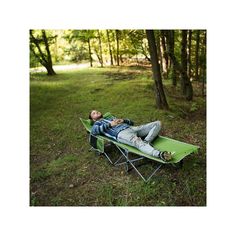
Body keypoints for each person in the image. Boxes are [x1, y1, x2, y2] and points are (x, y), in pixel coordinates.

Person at [89, 110, 173, 161]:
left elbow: (132, 122)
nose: (96, 112)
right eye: (94, 113)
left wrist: (123, 120)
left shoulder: (110, 118)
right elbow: (94, 131)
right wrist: (110, 125)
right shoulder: (97, 123)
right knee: (137, 142)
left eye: (96, 111)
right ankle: (159, 154)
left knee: (157, 123)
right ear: (93, 119)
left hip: (132, 128)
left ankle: (146, 142)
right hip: (122, 134)